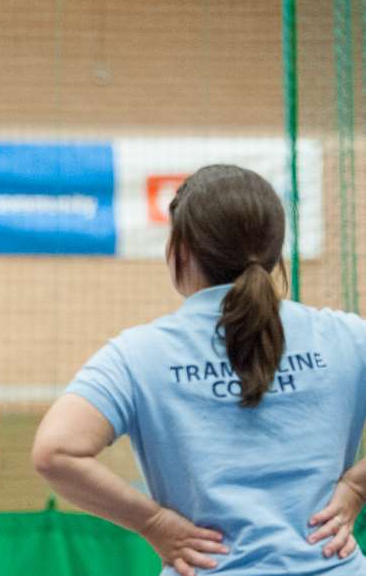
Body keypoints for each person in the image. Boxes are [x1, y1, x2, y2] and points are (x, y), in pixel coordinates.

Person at [31, 164, 366, 575]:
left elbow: (56, 451)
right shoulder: (346, 337)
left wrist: (153, 523)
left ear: (181, 250)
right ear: (276, 250)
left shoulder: (139, 354)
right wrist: (355, 486)